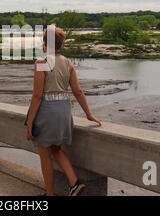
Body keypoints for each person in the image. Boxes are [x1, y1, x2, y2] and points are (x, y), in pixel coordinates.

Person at [25, 25, 102, 196]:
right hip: (64, 111)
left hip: (47, 111)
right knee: (56, 149)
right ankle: (74, 183)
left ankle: (50, 195)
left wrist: (30, 122)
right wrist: (89, 114)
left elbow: (37, 96)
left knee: (45, 155)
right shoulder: (68, 63)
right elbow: (78, 91)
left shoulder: (42, 63)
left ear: (45, 44)